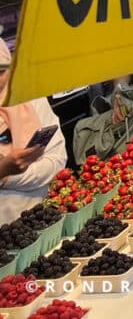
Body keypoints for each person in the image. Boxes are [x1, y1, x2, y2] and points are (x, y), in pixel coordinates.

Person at [0, 40, 67, 223]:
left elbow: (57, 159)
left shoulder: (29, 97)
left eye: (1, 72)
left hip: (44, 218)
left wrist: (8, 177)